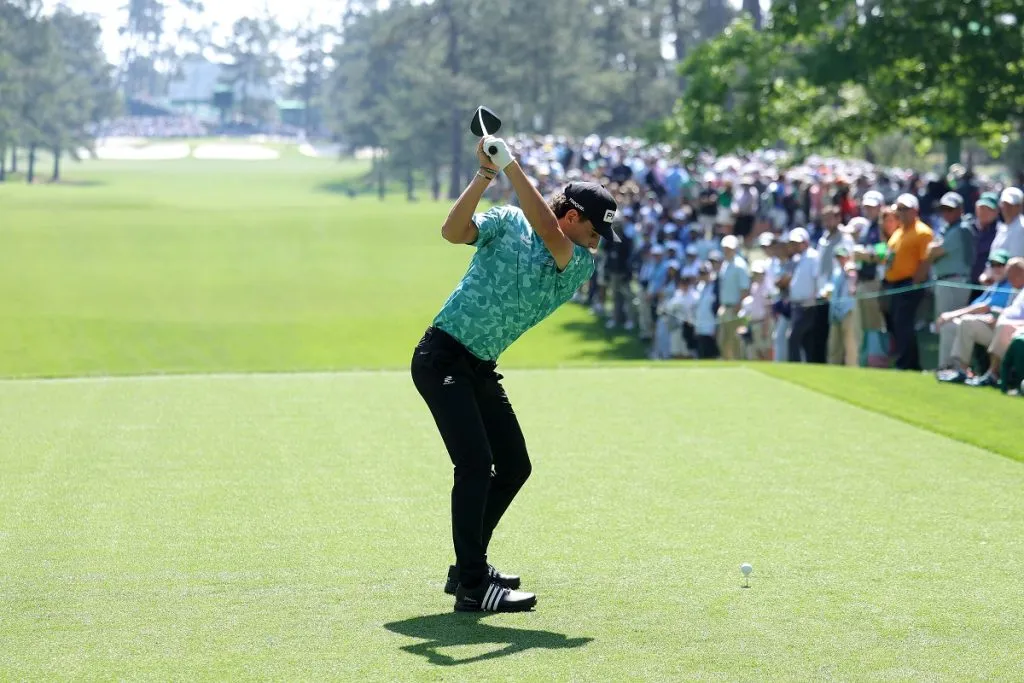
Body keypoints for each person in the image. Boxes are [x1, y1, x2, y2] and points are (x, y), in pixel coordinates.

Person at [411, 135, 618, 613]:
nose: (597, 244)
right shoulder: (507, 220)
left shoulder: (577, 262)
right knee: (475, 464)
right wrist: (486, 174)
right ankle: (472, 584)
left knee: (514, 465)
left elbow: (546, 229)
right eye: (594, 232)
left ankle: (467, 568)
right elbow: (452, 232)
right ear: (574, 217)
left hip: (478, 366)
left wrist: (509, 164)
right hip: (442, 356)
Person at [882, 194, 934, 371]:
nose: (901, 213)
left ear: (915, 210)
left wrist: (915, 283)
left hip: (909, 284)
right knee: (897, 323)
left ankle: (906, 363)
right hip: (894, 284)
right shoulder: (899, 232)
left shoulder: (922, 232)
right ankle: (909, 362)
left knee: (903, 322)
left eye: (905, 209)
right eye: (899, 209)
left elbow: (925, 261)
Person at [927, 192, 976, 368]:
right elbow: (930, 252)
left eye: (950, 209)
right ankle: (947, 365)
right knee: (946, 324)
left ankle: (951, 366)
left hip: (955, 282)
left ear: (960, 210)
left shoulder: (960, 229)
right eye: (944, 209)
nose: (946, 213)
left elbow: (935, 251)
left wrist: (932, 249)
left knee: (950, 324)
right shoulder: (948, 228)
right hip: (947, 282)